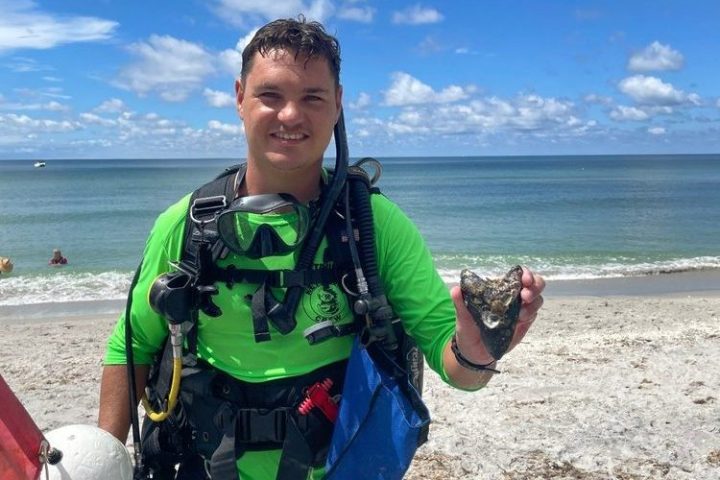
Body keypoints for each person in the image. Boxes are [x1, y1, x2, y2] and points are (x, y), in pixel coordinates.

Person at [98, 16, 545, 480]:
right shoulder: (185, 225)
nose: (291, 115)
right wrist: (102, 453)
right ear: (239, 98)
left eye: (312, 97)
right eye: (270, 95)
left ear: (337, 105)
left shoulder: (374, 225)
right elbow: (131, 347)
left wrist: (478, 349)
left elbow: (459, 370)